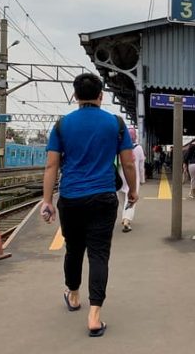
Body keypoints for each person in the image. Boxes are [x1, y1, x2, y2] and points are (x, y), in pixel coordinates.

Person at [40, 73, 138, 337]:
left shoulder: (62, 125)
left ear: (75, 95)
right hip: (104, 197)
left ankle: (73, 295)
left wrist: (47, 201)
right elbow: (128, 163)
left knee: (73, 250)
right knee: (98, 254)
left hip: (71, 198)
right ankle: (95, 315)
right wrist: (133, 192)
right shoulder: (115, 124)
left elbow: (52, 165)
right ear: (101, 95)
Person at [118, 128, 145, 232]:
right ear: (135, 136)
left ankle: (124, 216)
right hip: (133, 175)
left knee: (121, 196)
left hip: (120, 175)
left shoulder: (119, 146)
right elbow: (141, 166)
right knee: (131, 197)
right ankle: (126, 219)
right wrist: (142, 179)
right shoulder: (138, 148)